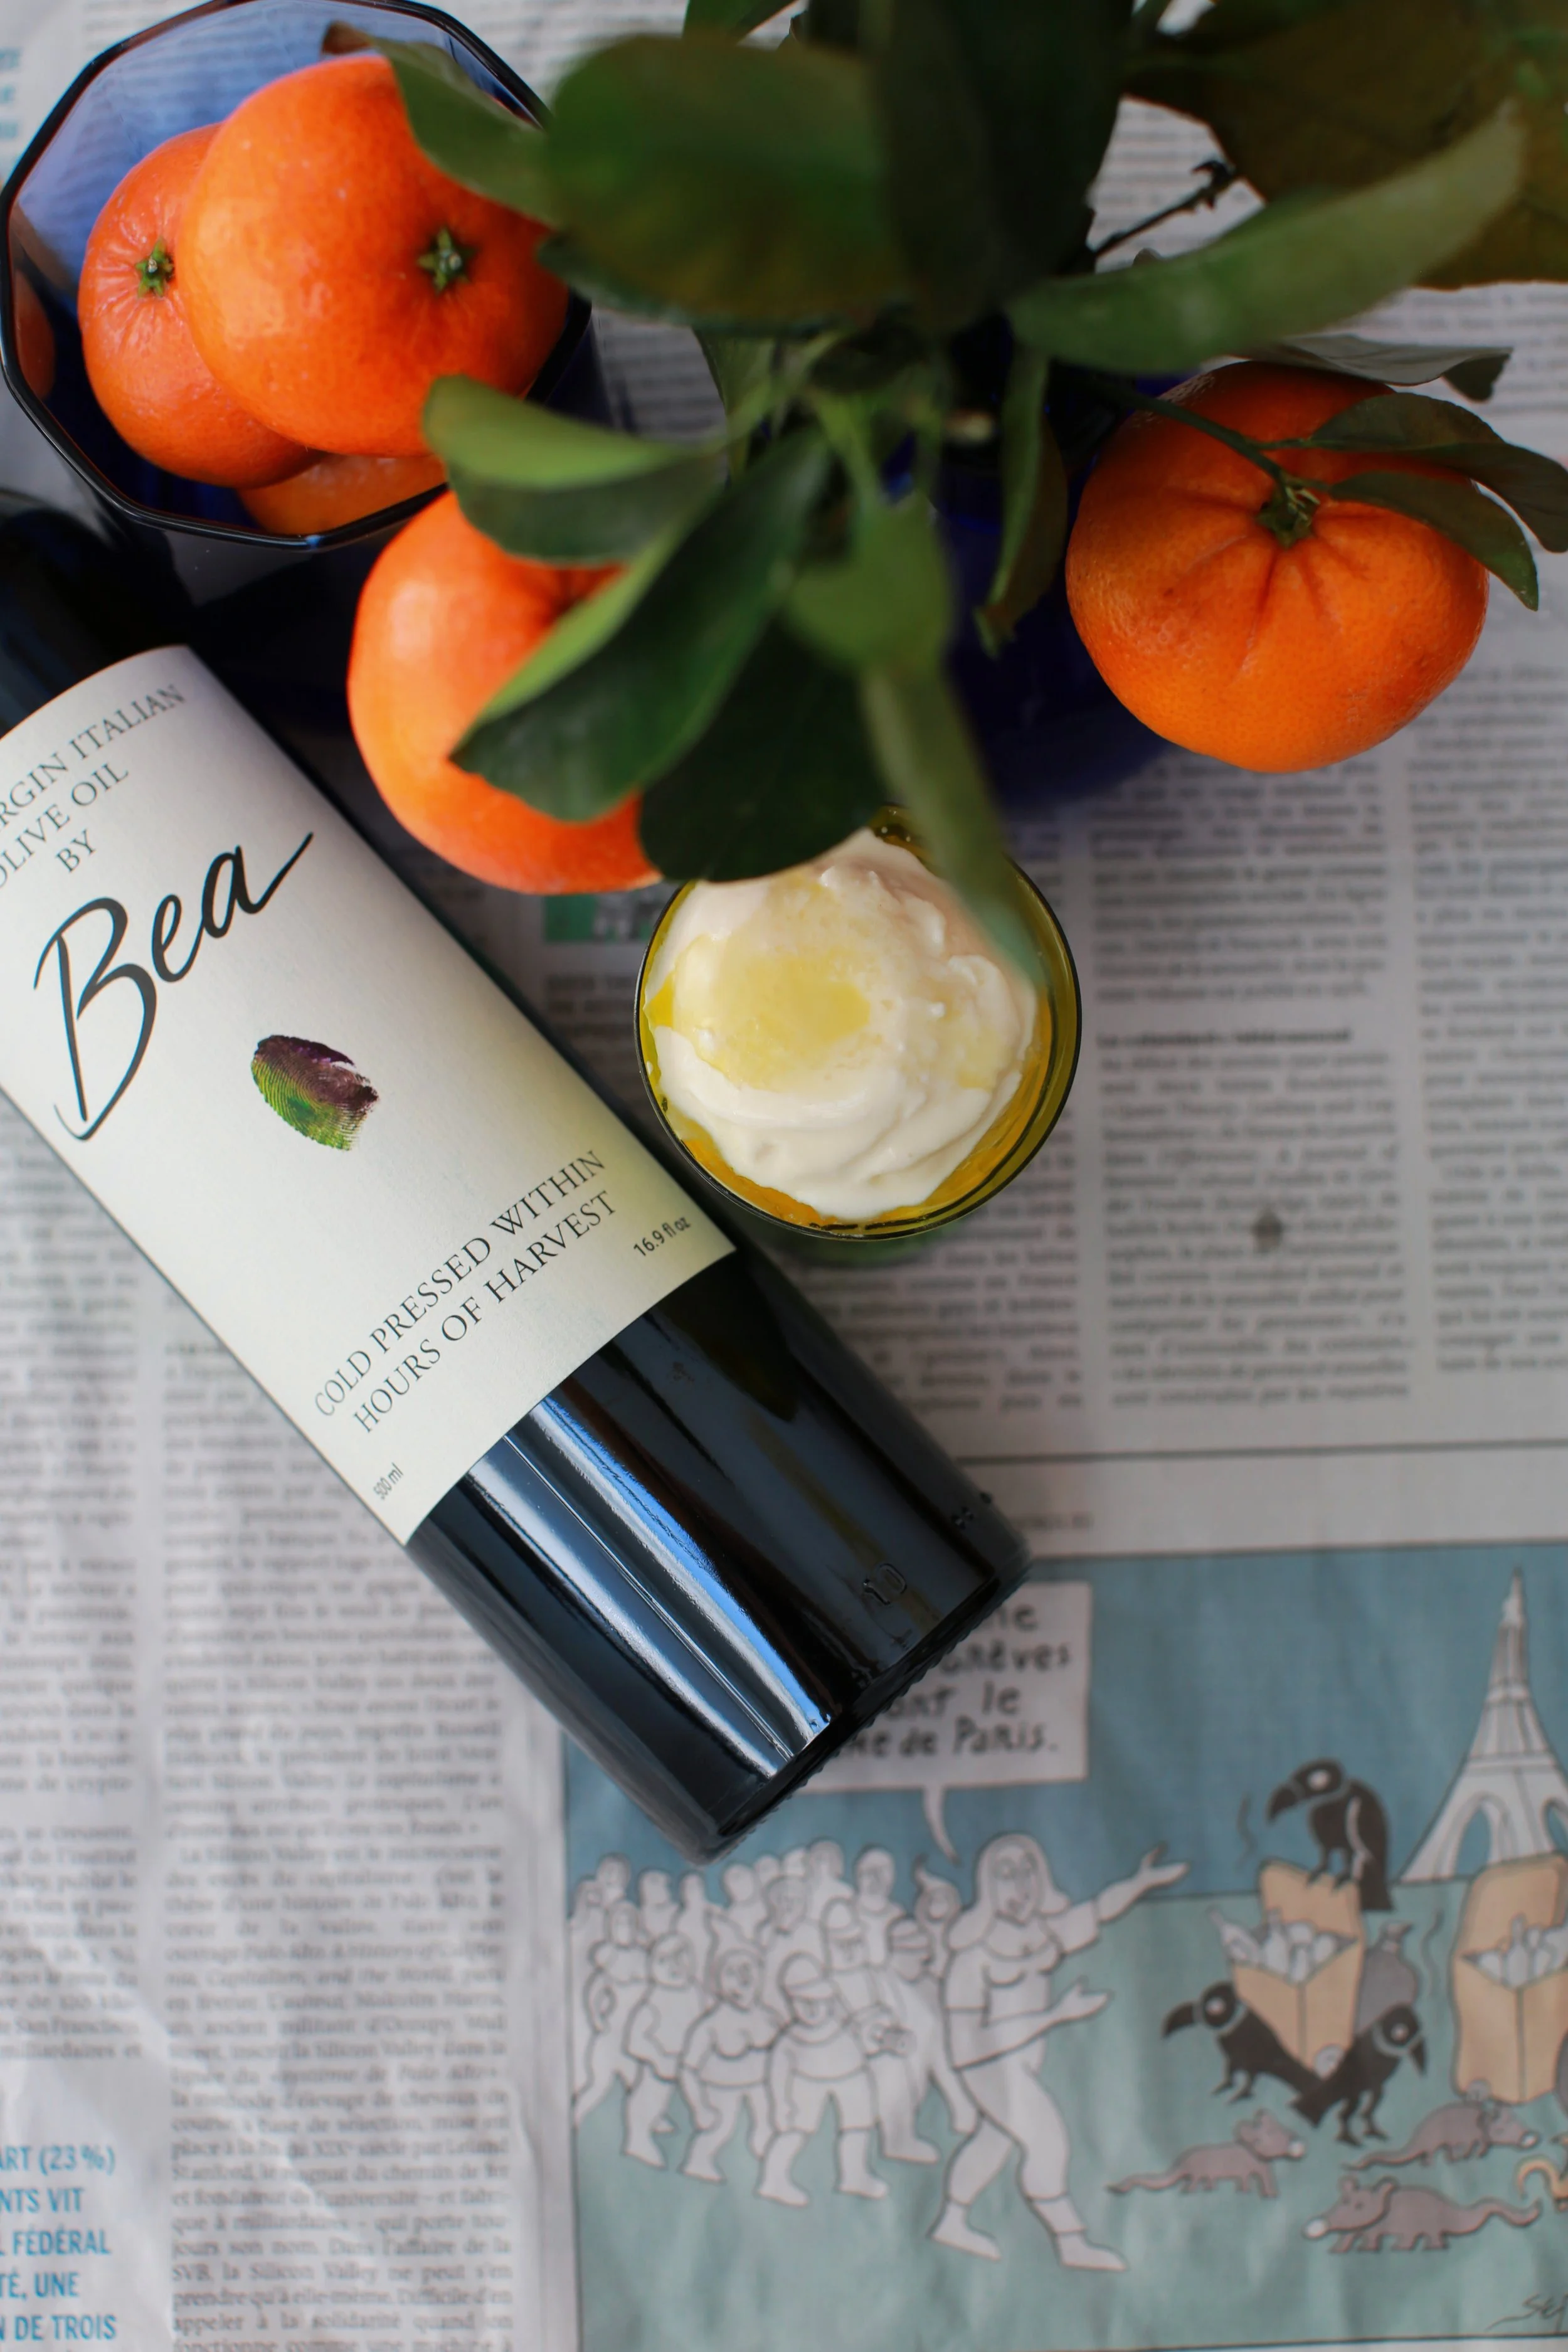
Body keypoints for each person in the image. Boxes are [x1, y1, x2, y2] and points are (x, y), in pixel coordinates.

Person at [931, 1833, 1187, 2269]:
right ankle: (1071, 2241)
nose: (1020, 1885)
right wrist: (1055, 2016)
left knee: (994, 2140)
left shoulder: (1043, 1931)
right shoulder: (971, 1958)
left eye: (1027, 1869)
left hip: (1022, 2062)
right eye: (1006, 1875)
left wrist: (1141, 1883)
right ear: (988, 1886)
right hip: (984, 2065)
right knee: (1048, 2141)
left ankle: (951, 2222)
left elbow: (1099, 1910)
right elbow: (968, 2041)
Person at [759, 1953, 886, 2205]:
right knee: (796, 2129)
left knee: (858, 2127)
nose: (813, 2008)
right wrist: (781, 2103)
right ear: (791, 2002)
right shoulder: (790, 2039)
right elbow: (778, 2072)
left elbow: (867, 2044)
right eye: (804, 2002)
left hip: (853, 2079)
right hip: (807, 2083)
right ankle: (773, 2181)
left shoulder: (843, 2026)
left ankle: (854, 2175)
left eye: (819, 2000)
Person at [679, 1946, 779, 2183]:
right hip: (721, 2087)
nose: (743, 1979)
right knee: (719, 2128)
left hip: (760, 2086)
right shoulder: (711, 2024)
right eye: (732, 1973)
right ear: (717, 1982)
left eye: (747, 1970)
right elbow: (688, 2068)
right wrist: (699, 2107)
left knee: (767, 2124)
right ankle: (698, 2163)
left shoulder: (769, 2017)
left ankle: (771, 2162)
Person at [880, 1916, 977, 2154]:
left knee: (943, 2052)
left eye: (924, 1956)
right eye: (916, 1955)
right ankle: (897, 2140)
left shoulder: (927, 1983)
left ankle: (964, 2110)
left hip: (925, 2051)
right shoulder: (881, 1982)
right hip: (890, 2058)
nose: (922, 1962)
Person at [622, 1932, 707, 2166]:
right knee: (650, 2097)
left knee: (670, 2097)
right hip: (659, 2065)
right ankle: (637, 2138)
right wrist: (657, 2056)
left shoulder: (693, 1991)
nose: (675, 1967)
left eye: (681, 1959)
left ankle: (657, 2118)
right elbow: (634, 2040)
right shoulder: (654, 2001)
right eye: (665, 1961)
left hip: (684, 2061)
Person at [573, 1900, 650, 2128]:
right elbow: (593, 1993)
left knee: (640, 2082)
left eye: (629, 1923)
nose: (625, 1928)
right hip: (612, 2035)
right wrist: (597, 2019)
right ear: (612, 1928)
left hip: (635, 2034)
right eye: (620, 1924)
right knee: (599, 2084)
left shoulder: (643, 1957)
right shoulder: (609, 1959)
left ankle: (649, 2121)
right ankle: (575, 2116)